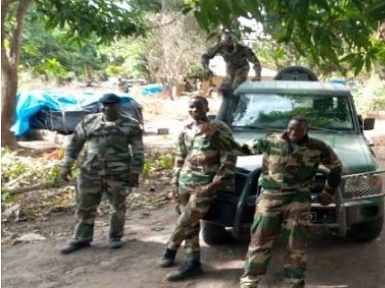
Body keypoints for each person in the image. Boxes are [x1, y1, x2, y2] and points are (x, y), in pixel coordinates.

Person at [239, 116, 343, 288]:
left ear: (306, 131)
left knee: (297, 241)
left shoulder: (317, 146)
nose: (294, 133)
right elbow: (243, 149)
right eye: (291, 128)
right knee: (260, 239)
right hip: (270, 197)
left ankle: (294, 281)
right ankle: (249, 280)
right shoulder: (270, 140)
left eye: (299, 130)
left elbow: (336, 166)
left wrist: (328, 192)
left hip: (298, 197)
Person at [158, 95, 247, 282]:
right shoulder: (185, 130)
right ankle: (193, 262)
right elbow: (179, 158)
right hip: (184, 183)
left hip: (205, 186)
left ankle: (170, 248)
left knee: (187, 219)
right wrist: (174, 182)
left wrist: (217, 181)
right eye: (191, 107)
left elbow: (229, 156)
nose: (194, 110)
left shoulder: (219, 128)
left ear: (207, 108)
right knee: (190, 224)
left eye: (198, 107)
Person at [59, 93, 144, 254]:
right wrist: (66, 166)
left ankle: (115, 237)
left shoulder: (131, 125)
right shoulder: (89, 122)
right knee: (84, 206)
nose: (107, 108)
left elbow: (138, 151)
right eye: (104, 105)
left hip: (118, 173)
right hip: (90, 172)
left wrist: (135, 172)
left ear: (119, 106)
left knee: (117, 206)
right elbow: (75, 145)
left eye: (111, 105)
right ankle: (81, 238)